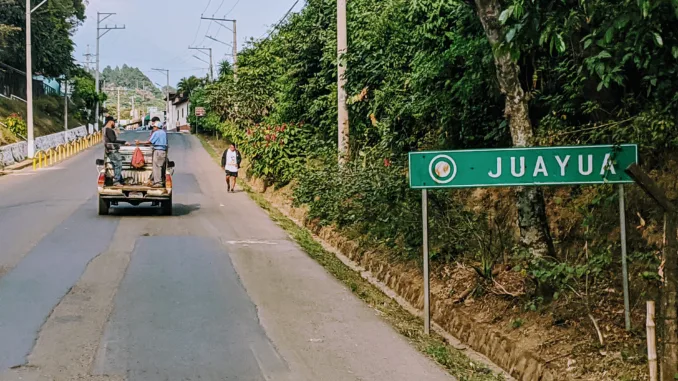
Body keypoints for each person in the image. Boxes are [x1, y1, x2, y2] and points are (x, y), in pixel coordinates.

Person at [136, 119, 168, 188]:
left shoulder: (156, 133)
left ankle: (158, 182)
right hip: (163, 151)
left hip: (158, 151)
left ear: (156, 127)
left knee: (156, 167)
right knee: (160, 166)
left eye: (154, 127)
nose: (153, 128)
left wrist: (140, 142)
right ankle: (156, 181)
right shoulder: (163, 132)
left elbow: (150, 142)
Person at [103, 116, 129, 186]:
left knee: (116, 165)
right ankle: (117, 181)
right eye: (113, 122)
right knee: (118, 164)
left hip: (109, 150)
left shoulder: (106, 129)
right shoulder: (108, 130)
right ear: (110, 121)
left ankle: (120, 180)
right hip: (112, 150)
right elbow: (113, 140)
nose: (114, 123)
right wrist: (124, 142)